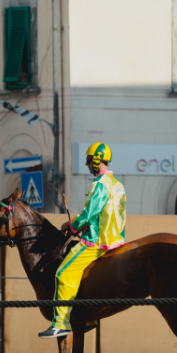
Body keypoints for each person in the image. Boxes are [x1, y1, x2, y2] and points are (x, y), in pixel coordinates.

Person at [39, 143, 126, 338]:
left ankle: (61, 323)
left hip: (97, 242)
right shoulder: (117, 184)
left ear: (96, 160)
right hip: (116, 239)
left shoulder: (100, 184)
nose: (87, 163)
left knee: (63, 273)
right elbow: (105, 214)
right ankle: (89, 317)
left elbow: (89, 214)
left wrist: (70, 227)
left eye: (88, 159)